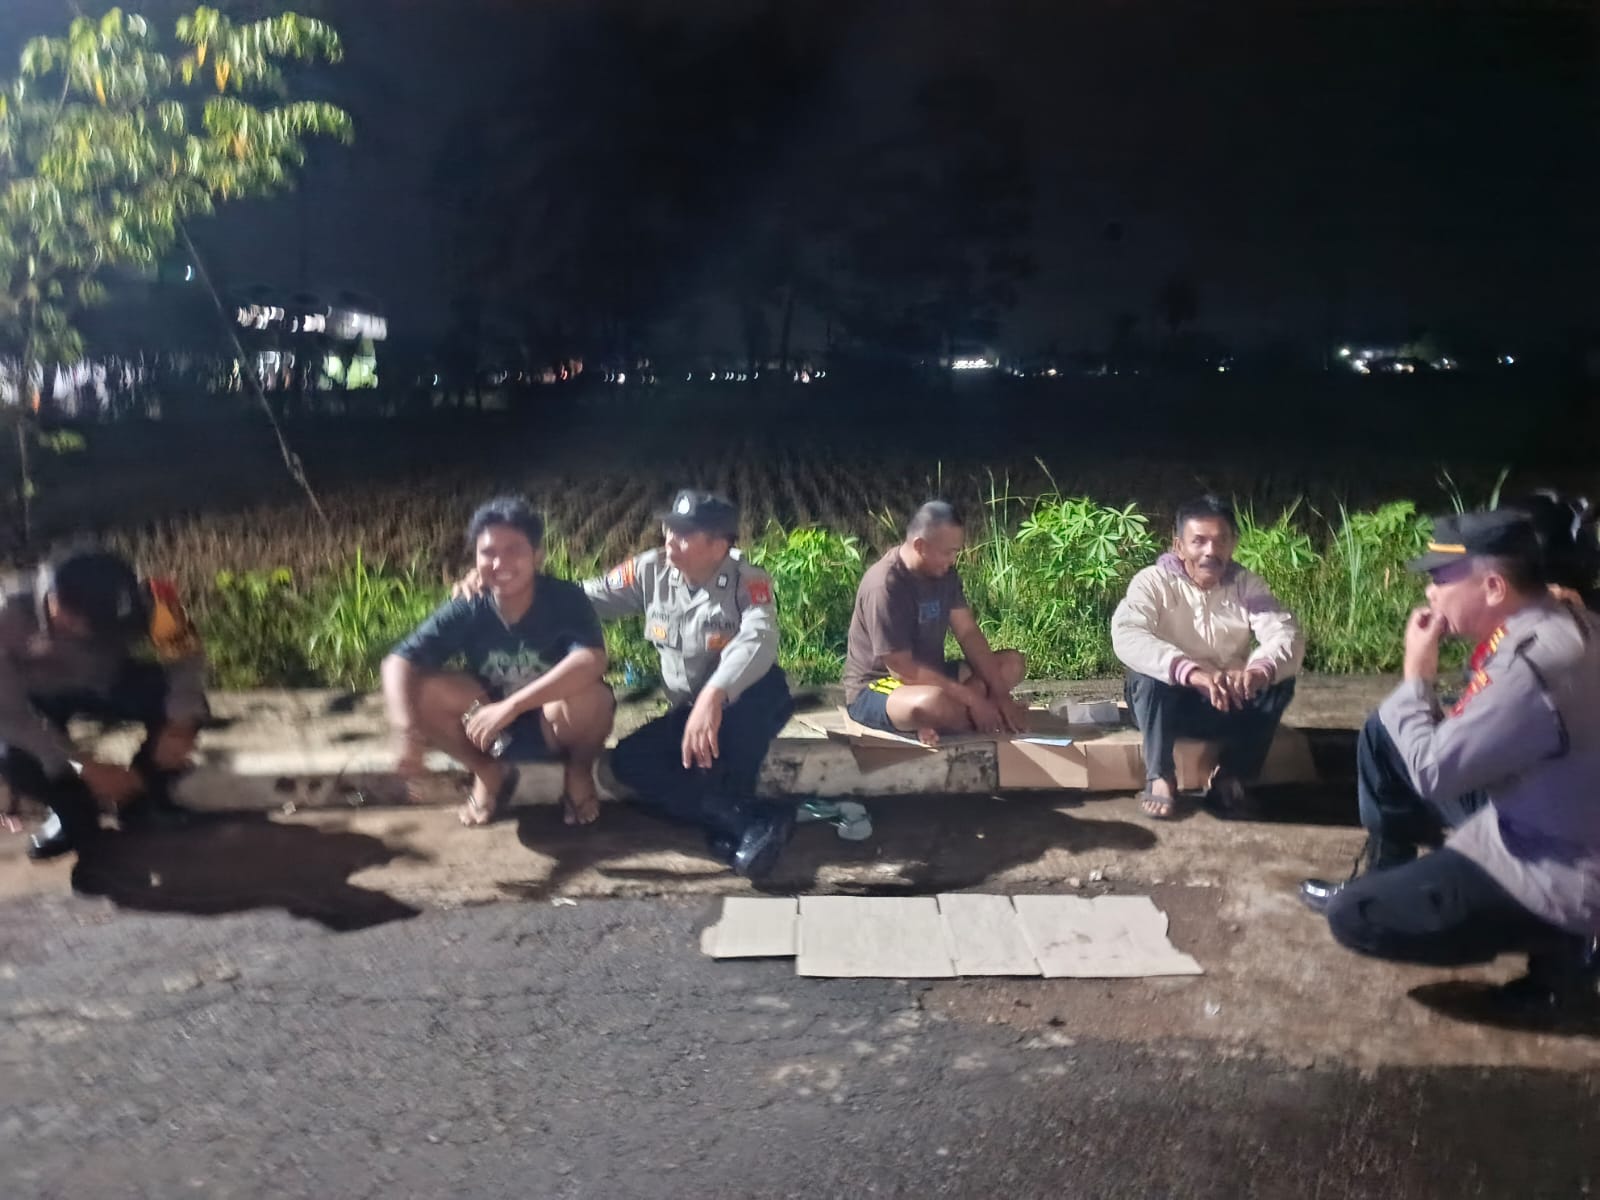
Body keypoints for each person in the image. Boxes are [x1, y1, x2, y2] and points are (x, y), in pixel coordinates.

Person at [1299, 510, 1600, 1019]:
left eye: (1442, 579)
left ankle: (1564, 960)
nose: (1431, 592)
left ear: (1494, 587)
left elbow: (1432, 772)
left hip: (1561, 865)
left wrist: (1417, 676)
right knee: (1385, 731)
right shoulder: (1560, 617)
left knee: (1357, 916)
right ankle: (1388, 868)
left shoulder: (1532, 665)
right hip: (1547, 807)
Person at [585, 490, 795, 878]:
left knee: (730, 743)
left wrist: (714, 694)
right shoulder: (651, 570)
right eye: (669, 529)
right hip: (692, 709)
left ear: (718, 545)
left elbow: (758, 638)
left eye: (684, 533)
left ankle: (729, 821)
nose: (669, 539)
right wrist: (514, 588)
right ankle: (747, 820)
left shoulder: (747, 581)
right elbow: (587, 597)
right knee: (628, 761)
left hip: (748, 698)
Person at [383, 496, 615, 828]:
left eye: (514, 550)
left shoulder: (565, 598)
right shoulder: (469, 604)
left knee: (594, 696)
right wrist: (407, 732)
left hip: (554, 724)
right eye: (488, 552)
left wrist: (513, 706)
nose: (499, 562)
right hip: (488, 732)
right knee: (420, 691)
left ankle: (578, 772)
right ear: (475, 558)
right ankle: (487, 773)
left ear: (537, 555)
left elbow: (591, 660)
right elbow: (399, 660)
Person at [1, 548, 208, 861]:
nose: (99, 636)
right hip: (38, 699)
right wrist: (83, 766)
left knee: (188, 708)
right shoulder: (7, 614)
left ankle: (144, 799)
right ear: (56, 604)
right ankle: (72, 816)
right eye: (91, 626)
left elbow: (187, 657)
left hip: (109, 682)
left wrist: (179, 724)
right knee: (15, 757)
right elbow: (10, 716)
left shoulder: (154, 599)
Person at [1111, 495, 1303, 820]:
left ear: (1232, 544)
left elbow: (1285, 633)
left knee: (1278, 680)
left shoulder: (1246, 585)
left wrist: (1257, 672)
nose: (1210, 551)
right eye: (1199, 541)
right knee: (1146, 676)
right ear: (1179, 546)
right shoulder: (1153, 581)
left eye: (1220, 541)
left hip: (1225, 701)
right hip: (1167, 707)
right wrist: (1191, 673)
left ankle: (1230, 777)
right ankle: (1160, 776)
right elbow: (1128, 634)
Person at [842, 500, 1027, 746]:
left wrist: (1000, 693)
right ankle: (965, 716)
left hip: (935, 676)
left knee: (1011, 664)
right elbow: (902, 670)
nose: (953, 559)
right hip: (882, 686)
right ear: (920, 546)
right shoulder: (885, 585)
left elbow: (968, 633)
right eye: (947, 552)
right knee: (930, 704)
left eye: (956, 552)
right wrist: (974, 699)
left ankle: (957, 718)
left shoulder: (945, 574)